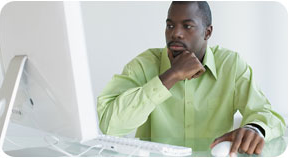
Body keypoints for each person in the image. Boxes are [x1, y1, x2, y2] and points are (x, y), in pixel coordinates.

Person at [97, 1, 285, 156]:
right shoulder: (144, 65)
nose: (175, 33)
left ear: (207, 32)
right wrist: (170, 76)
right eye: (170, 25)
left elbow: (268, 115)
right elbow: (109, 125)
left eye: (187, 26)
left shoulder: (231, 65)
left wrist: (255, 128)